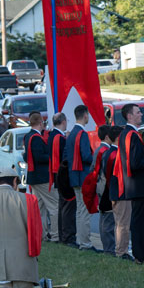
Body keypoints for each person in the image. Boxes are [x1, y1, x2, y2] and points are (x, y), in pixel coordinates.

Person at [115, 103, 144, 264]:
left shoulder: (126, 134)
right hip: (138, 185)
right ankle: (141, 255)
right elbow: (136, 163)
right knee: (140, 224)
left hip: (133, 184)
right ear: (129, 116)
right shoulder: (132, 135)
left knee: (138, 222)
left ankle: (140, 253)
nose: (141, 115)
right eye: (138, 112)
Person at [64, 105, 96, 251]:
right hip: (82, 176)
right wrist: (95, 158)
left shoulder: (71, 134)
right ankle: (85, 243)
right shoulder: (81, 134)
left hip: (74, 176)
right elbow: (86, 156)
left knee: (79, 211)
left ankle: (81, 239)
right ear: (85, 115)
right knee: (84, 211)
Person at [23, 112, 56, 241]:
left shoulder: (28, 136)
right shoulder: (36, 138)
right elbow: (38, 157)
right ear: (40, 123)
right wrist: (52, 157)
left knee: (40, 208)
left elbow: (27, 155)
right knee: (54, 205)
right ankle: (55, 234)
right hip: (42, 177)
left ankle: (42, 234)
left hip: (34, 177)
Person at [48, 113, 75, 246]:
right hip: (62, 177)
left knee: (61, 207)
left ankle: (61, 234)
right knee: (66, 208)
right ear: (63, 121)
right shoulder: (60, 138)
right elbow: (63, 160)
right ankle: (67, 236)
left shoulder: (52, 136)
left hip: (56, 177)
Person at [91, 125, 117, 256]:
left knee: (104, 217)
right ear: (107, 137)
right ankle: (109, 248)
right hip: (104, 186)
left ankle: (107, 246)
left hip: (100, 185)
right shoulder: (105, 151)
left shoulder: (99, 149)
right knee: (107, 218)